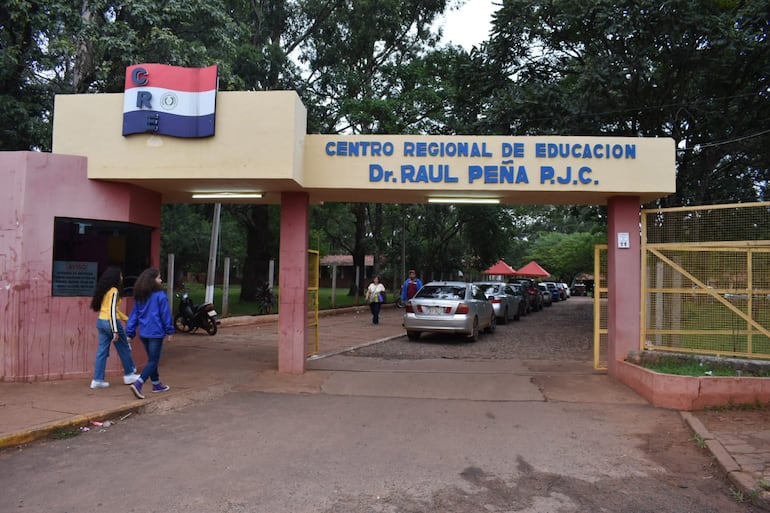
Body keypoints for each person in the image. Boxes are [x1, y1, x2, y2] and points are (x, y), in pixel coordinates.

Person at [126, 268, 174, 399]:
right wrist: (169, 331)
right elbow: (165, 315)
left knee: (152, 360)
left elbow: (134, 315)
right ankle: (138, 384)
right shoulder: (160, 296)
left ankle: (156, 384)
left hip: (144, 333)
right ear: (152, 281)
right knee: (154, 360)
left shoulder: (141, 296)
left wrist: (130, 333)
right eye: (159, 278)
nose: (161, 280)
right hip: (156, 333)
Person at [89, 266, 140, 389]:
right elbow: (112, 311)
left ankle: (97, 379)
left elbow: (113, 310)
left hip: (101, 322)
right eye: (121, 276)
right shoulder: (114, 291)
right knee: (124, 347)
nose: (122, 278)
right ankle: (129, 374)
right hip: (111, 323)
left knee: (102, 352)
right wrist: (115, 330)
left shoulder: (105, 291)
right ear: (116, 278)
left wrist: (127, 319)